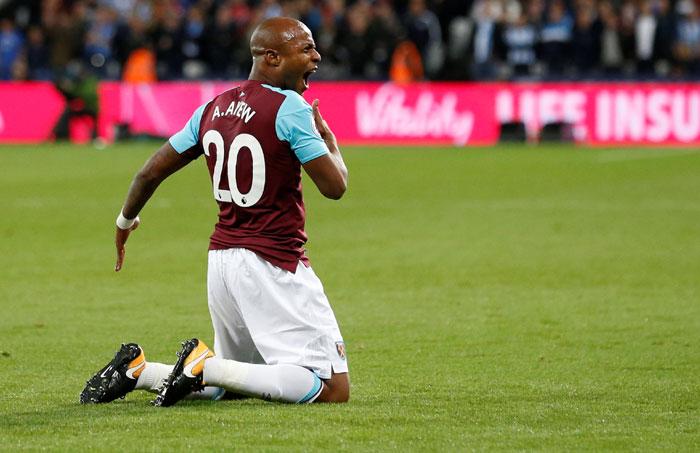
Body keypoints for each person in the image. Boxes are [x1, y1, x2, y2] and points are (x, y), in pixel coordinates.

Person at [80, 17, 349, 406]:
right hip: (274, 263)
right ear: (271, 57)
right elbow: (335, 186)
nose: (316, 55)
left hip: (223, 262)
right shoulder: (291, 108)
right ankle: (204, 365)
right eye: (306, 48)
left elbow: (149, 171)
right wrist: (332, 143)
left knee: (236, 383)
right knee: (333, 388)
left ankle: (138, 371)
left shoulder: (213, 107)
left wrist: (125, 220)